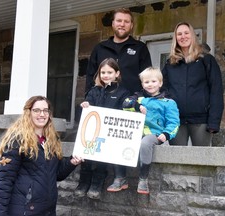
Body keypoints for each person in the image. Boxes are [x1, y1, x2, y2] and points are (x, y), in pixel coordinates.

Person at [76, 7, 152, 196]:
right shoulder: (100, 48)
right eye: (119, 21)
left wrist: (140, 101)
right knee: (93, 141)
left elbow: (147, 75)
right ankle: (86, 180)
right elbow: (91, 76)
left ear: (131, 25)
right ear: (113, 23)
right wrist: (89, 99)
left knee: (118, 145)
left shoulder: (140, 48)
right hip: (102, 104)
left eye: (126, 21)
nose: (122, 24)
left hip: (128, 106)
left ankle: (113, 178)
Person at [0, 96, 83, 216]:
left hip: (47, 210)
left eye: (45, 110)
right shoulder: (17, 140)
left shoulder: (51, 140)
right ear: (28, 112)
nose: (42, 114)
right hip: (24, 210)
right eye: (37, 110)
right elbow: (5, 182)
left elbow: (57, 174)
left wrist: (72, 162)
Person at [107, 67, 180, 194]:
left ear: (160, 83)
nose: (150, 84)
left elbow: (174, 122)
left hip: (155, 135)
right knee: (117, 141)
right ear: (142, 84)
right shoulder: (137, 98)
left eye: (153, 81)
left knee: (145, 143)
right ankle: (120, 177)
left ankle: (143, 179)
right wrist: (137, 106)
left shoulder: (169, 102)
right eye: (146, 82)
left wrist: (166, 134)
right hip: (135, 133)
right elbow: (125, 104)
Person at [162, 21, 224, 146]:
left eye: (186, 33)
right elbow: (163, 91)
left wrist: (214, 122)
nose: (183, 36)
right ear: (176, 38)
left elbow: (216, 91)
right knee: (177, 160)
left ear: (192, 35)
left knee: (201, 160)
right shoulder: (170, 63)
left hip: (201, 120)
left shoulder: (206, 60)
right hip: (175, 120)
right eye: (179, 34)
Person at [78, 58, 130, 199]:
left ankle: (97, 184)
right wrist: (85, 106)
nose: (106, 75)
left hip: (109, 134)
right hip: (93, 131)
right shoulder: (94, 91)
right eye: (103, 72)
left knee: (102, 159)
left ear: (117, 73)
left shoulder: (123, 92)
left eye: (109, 72)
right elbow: (88, 107)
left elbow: (125, 111)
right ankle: (83, 182)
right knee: (87, 156)